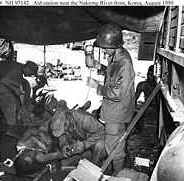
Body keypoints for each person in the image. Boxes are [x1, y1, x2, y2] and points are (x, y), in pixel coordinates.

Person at [86, 24, 135, 174]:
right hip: (112, 110)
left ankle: (118, 175)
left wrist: (97, 87)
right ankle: (116, 171)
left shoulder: (124, 63)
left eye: (105, 48)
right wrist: (97, 65)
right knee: (113, 145)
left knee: (114, 149)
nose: (104, 50)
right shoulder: (115, 56)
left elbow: (117, 93)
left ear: (114, 45)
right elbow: (112, 75)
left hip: (117, 113)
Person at [0, 60, 38, 138]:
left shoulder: (19, 69)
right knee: (10, 101)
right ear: (27, 68)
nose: (29, 75)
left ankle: (11, 122)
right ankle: (10, 128)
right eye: (30, 73)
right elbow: (5, 81)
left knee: (15, 101)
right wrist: (15, 89)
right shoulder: (17, 70)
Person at [50, 101, 105, 167]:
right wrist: (64, 146)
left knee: (100, 146)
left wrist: (84, 144)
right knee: (64, 164)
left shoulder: (84, 118)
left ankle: (94, 168)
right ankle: (86, 156)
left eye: (63, 130)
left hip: (94, 139)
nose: (64, 132)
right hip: (81, 142)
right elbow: (62, 137)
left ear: (66, 121)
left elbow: (102, 131)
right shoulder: (63, 123)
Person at [135, 65, 158, 132]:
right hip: (147, 108)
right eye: (148, 74)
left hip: (155, 109)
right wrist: (134, 109)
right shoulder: (142, 85)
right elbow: (134, 99)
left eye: (151, 74)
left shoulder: (158, 87)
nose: (149, 76)